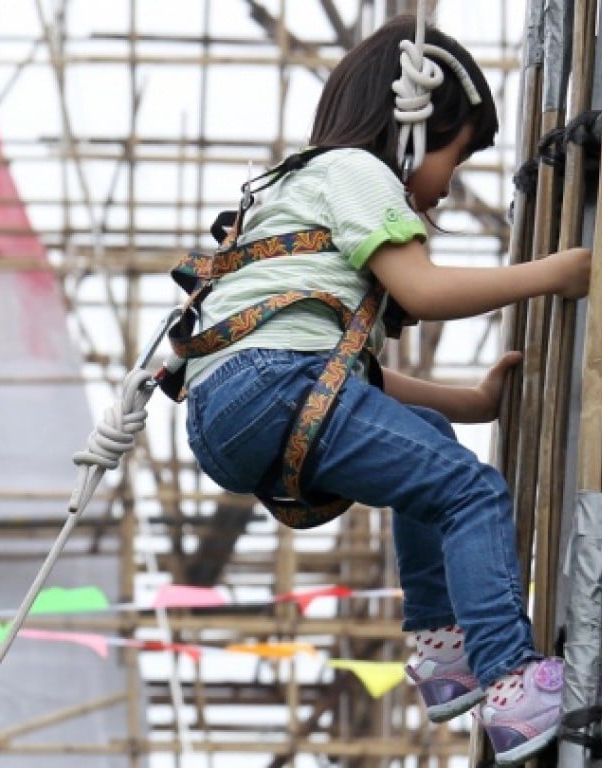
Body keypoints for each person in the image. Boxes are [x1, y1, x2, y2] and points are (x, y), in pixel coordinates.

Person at [181, 14, 590, 767]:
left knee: (429, 449)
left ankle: (443, 656)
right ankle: (508, 677)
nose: (448, 185)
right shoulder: (357, 172)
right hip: (280, 385)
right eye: (455, 158)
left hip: (236, 405)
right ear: (412, 129)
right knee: (469, 492)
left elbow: (337, 368)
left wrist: (470, 403)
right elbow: (422, 290)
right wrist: (558, 273)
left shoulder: (288, 189)